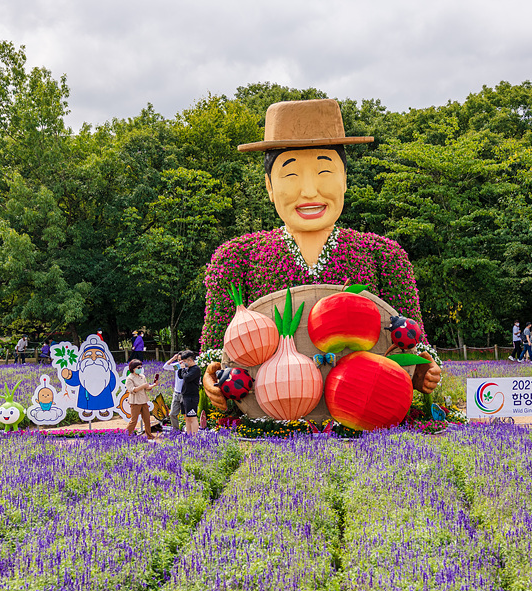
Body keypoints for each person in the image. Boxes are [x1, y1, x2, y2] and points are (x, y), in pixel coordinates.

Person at [201, 99, 441, 405]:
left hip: (365, 410)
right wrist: (211, 378)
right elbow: (213, 354)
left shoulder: (384, 255)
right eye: (291, 175)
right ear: (269, 186)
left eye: (325, 172)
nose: (310, 190)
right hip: (269, 411)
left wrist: (423, 372)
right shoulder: (236, 258)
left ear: (344, 179)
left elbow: (415, 345)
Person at [125, 359, 158, 440]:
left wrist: (154, 385)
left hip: (143, 400)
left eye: (140, 367)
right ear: (133, 368)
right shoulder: (129, 378)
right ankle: (126, 435)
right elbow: (132, 390)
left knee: (147, 419)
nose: (140, 369)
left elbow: (147, 388)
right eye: (138, 367)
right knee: (134, 420)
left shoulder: (142, 377)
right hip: (135, 401)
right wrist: (143, 386)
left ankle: (149, 435)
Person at [177, 351, 202, 436]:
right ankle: (188, 435)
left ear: (190, 360)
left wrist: (184, 369)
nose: (183, 363)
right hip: (184, 395)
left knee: (192, 417)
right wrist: (181, 368)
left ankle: (194, 436)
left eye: (184, 361)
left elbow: (187, 378)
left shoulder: (196, 369)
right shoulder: (188, 369)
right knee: (187, 418)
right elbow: (180, 376)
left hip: (191, 396)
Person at [163, 351, 185, 431]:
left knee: (186, 414)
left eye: (181, 359)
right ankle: (176, 430)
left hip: (185, 393)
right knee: (172, 413)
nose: (180, 361)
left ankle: (188, 429)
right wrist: (173, 359)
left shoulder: (189, 367)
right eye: (179, 359)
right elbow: (165, 366)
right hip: (176, 392)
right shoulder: (177, 366)